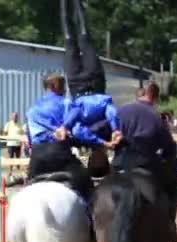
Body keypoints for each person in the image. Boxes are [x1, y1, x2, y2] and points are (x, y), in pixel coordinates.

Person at [25, 72, 106, 242]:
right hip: (60, 155)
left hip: (37, 158)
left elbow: (28, 139)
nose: (65, 89)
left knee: (27, 192)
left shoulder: (32, 109)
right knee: (89, 190)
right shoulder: (66, 104)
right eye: (63, 86)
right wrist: (95, 142)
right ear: (57, 87)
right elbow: (76, 130)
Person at [111, 82, 177, 242]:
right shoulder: (155, 116)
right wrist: (167, 158)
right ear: (154, 97)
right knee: (173, 190)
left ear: (138, 96)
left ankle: (94, 241)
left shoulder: (120, 111)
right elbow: (169, 147)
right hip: (146, 164)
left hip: (119, 163)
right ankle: (170, 228)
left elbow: (107, 132)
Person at [58, 0, 119, 178]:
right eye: (100, 162)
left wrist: (100, 141)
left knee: (69, 40)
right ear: (106, 161)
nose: (96, 159)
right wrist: (114, 131)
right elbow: (111, 111)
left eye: (93, 162)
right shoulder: (110, 137)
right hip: (95, 82)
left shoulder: (82, 141)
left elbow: (75, 124)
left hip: (77, 85)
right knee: (85, 37)